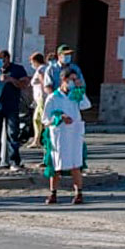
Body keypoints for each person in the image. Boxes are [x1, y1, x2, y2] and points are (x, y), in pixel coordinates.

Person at [41, 68, 86, 205]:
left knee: (75, 165)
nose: (73, 82)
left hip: (74, 135)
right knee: (56, 164)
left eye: (75, 79)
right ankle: (53, 193)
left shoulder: (75, 95)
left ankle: (78, 193)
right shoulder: (53, 97)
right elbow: (45, 118)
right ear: (63, 80)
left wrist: (80, 91)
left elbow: (86, 105)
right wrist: (59, 117)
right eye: (71, 79)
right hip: (59, 135)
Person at [0, 49, 27, 171]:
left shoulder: (17, 69)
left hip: (12, 107)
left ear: (7, 59)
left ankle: (14, 161)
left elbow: (24, 84)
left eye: (0, 58)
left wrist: (11, 80)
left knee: (13, 134)